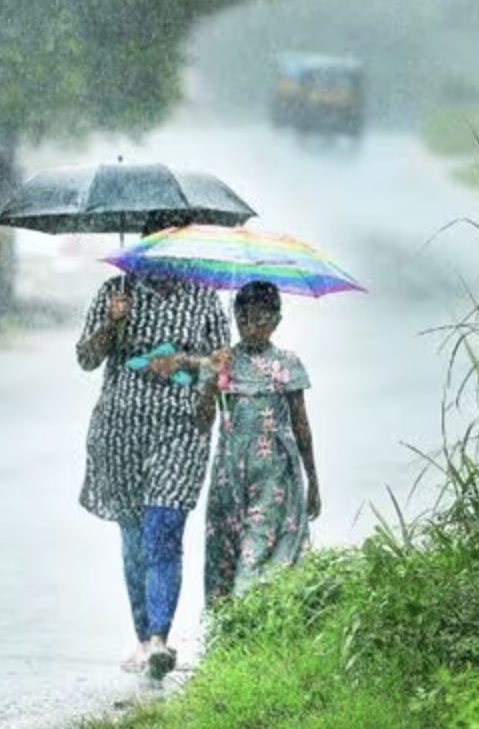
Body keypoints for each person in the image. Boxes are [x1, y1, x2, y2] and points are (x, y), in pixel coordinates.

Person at [75, 220, 231, 681]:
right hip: (119, 431)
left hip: (182, 430)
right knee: (134, 540)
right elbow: (86, 357)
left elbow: (222, 366)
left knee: (164, 530)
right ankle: (143, 639)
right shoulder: (114, 291)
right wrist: (113, 322)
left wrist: (188, 363)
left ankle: (161, 639)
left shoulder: (204, 298)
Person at [195, 281, 319, 605]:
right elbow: (202, 422)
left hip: (274, 473)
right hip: (230, 474)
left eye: (260, 319)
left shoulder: (286, 363)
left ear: (277, 320)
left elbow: (301, 425)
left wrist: (313, 480)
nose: (251, 327)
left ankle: (253, 611)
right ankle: (228, 628)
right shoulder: (222, 361)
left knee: (259, 544)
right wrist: (211, 382)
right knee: (226, 547)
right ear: (234, 316)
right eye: (244, 318)